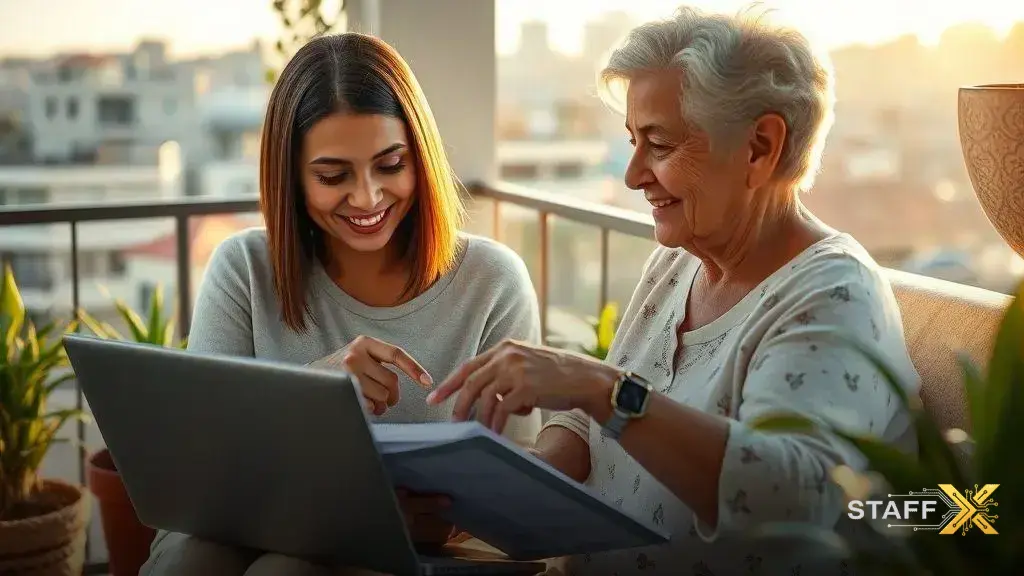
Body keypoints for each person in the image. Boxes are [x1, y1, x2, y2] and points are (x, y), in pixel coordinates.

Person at [428, 5, 920, 575]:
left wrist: (600, 386)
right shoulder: (676, 264)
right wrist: (492, 496)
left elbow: (792, 499)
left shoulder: (835, 295)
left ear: (760, 147)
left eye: (659, 145)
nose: (633, 174)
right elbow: (597, 424)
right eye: (633, 141)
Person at [141, 33, 542, 576]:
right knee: (191, 557)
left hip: (407, 555)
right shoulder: (244, 269)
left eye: (391, 165)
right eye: (333, 177)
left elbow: (521, 493)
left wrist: (445, 518)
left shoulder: (492, 282)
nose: (368, 197)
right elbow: (200, 467)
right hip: (254, 527)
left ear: (420, 159)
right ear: (292, 179)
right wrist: (319, 389)